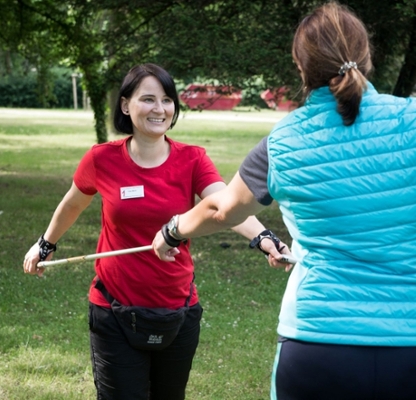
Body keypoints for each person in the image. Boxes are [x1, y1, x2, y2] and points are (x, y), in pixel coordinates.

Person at [152, 3, 416, 399]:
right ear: (366, 57)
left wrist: (173, 230)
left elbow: (221, 209)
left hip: (319, 347)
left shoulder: (283, 142)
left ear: (301, 67)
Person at [23, 63, 281, 400]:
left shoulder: (192, 159)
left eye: (167, 100)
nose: (159, 109)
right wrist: (45, 244)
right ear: (126, 105)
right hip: (113, 309)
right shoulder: (102, 159)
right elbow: (72, 204)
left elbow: (225, 205)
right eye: (148, 99)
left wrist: (263, 238)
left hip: (178, 309)